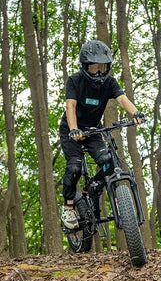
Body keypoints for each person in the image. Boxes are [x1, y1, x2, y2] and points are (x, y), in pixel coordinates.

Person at [60, 40, 144, 229]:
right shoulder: (74, 81)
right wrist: (74, 129)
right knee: (75, 167)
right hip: (71, 129)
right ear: (84, 67)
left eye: (102, 67)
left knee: (107, 159)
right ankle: (68, 206)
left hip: (93, 129)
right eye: (93, 67)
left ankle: (116, 196)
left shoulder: (109, 83)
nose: (98, 71)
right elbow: (70, 106)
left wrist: (135, 113)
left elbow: (122, 99)